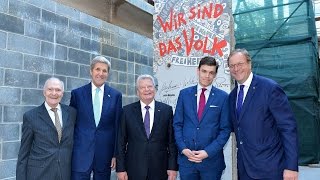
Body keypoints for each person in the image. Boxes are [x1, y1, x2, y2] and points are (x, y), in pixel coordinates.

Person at [228, 48, 298, 180]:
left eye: (240, 64)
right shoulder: (232, 96)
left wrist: (291, 167)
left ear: (249, 64)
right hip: (244, 170)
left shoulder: (270, 88)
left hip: (270, 168)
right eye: (232, 66)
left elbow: (288, 128)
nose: (236, 69)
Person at [173, 56, 231, 180]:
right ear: (198, 70)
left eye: (211, 73)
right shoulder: (184, 94)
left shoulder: (223, 97)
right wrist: (183, 148)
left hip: (212, 163)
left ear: (215, 75)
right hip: (187, 161)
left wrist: (207, 152)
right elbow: (177, 124)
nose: (207, 76)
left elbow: (225, 130)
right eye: (204, 71)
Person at [116, 74, 178, 180]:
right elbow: (120, 142)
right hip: (134, 169)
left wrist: (173, 167)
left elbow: (171, 142)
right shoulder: (127, 111)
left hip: (160, 169)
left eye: (149, 86)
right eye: (142, 87)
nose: (146, 90)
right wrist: (121, 169)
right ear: (137, 92)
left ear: (155, 89)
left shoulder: (166, 110)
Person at [70, 56, 122, 180]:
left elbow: (117, 126)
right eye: (97, 69)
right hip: (80, 153)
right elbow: (71, 124)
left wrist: (115, 154)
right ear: (91, 71)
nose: (101, 73)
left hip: (105, 154)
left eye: (104, 71)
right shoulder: (77, 94)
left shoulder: (116, 96)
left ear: (108, 73)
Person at [16, 77, 77, 180]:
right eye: (50, 89)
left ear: (62, 93)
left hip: (64, 173)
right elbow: (24, 153)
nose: (54, 93)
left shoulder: (71, 113)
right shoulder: (31, 116)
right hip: (39, 174)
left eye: (58, 90)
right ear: (44, 92)